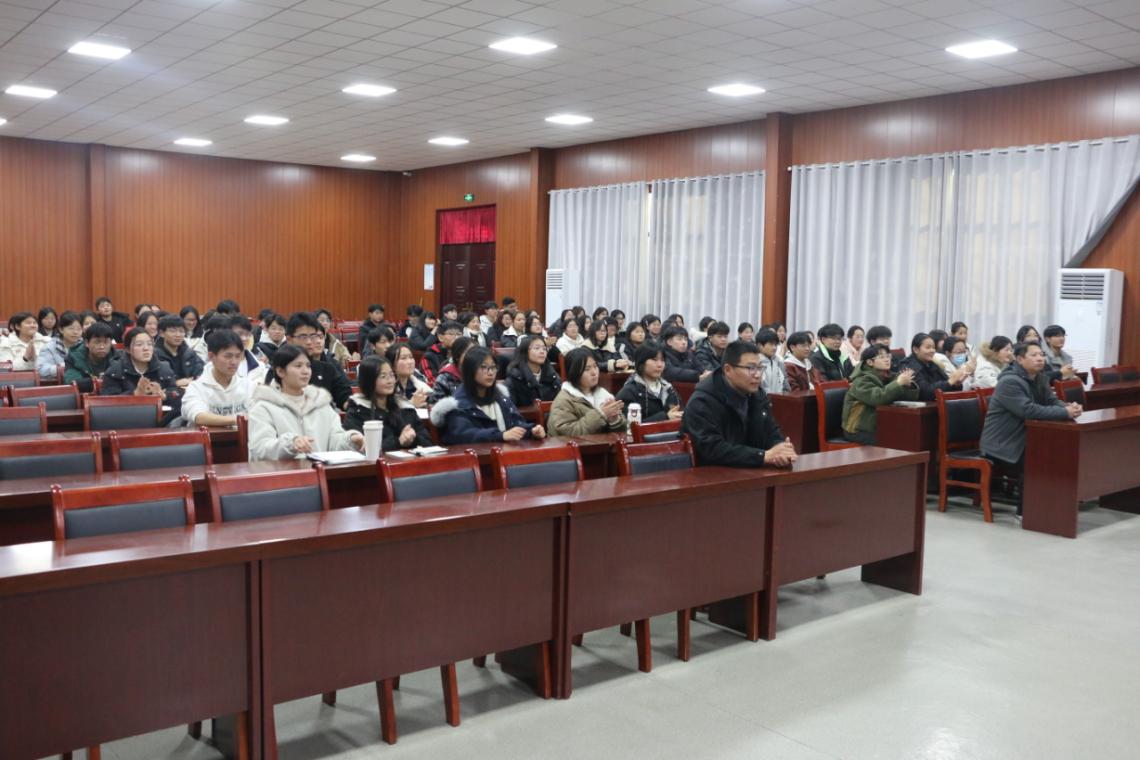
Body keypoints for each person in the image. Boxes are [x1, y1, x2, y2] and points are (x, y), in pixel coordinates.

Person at [981, 342, 1081, 516]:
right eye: (1034, 355)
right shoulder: (1009, 381)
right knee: (1038, 460)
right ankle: (1027, 513)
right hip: (1002, 443)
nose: (1040, 358)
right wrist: (1064, 412)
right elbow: (1027, 410)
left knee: (1057, 454)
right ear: (1019, 359)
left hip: (1026, 438)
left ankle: (1052, 506)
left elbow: (1051, 401)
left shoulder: (1039, 377)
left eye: (1041, 354)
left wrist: (1068, 407)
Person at [681, 340, 797, 467]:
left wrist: (780, 448)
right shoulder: (702, 402)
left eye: (760, 368)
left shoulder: (757, 394)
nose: (758, 375)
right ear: (728, 370)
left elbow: (770, 430)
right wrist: (762, 456)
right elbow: (712, 448)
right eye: (751, 368)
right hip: (713, 473)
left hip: (751, 469)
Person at [247, 344, 364, 461]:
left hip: (321, 470)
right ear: (280, 371)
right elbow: (260, 449)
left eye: (308, 366)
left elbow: (334, 442)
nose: (305, 371)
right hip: (286, 471)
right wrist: (290, 445)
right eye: (298, 366)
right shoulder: (263, 407)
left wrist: (350, 440)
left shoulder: (320, 402)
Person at [430, 347, 546, 444]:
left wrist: (531, 431)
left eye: (493, 367)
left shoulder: (501, 398)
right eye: (483, 367)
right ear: (470, 371)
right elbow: (463, 435)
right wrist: (500, 435)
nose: (490, 373)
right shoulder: (458, 404)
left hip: (506, 454)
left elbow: (516, 423)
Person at [344, 356, 435, 450]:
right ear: (369, 380)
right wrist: (398, 442)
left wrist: (413, 439)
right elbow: (364, 448)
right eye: (383, 376)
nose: (390, 381)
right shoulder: (357, 411)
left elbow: (428, 443)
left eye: (391, 375)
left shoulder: (404, 407)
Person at [842, 344, 919, 444]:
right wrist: (898, 383)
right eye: (882, 357)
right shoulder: (861, 380)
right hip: (858, 429)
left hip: (879, 425)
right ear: (870, 362)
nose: (887, 359)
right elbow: (877, 398)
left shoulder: (888, 376)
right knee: (896, 442)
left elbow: (909, 398)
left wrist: (908, 385)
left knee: (911, 435)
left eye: (888, 356)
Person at [101, 327, 181, 421]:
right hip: (124, 421)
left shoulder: (164, 368)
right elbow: (106, 404)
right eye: (139, 345)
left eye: (149, 344)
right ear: (127, 349)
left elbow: (177, 393)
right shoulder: (115, 370)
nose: (146, 348)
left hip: (161, 421)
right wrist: (134, 394)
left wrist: (164, 396)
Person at [180, 329, 254, 427]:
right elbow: (199, 417)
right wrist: (239, 420)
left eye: (238, 356)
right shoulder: (196, 388)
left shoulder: (248, 385)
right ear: (211, 356)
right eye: (228, 356)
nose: (234, 362)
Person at [547, 347, 627, 436]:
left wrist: (614, 420)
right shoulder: (564, 400)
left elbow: (622, 431)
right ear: (574, 373)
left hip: (601, 444)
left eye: (595, 366)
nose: (594, 372)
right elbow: (567, 433)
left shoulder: (603, 394)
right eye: (587, 369)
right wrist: (601, 414)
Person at [286, 311, 352, 409]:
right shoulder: (280, 368)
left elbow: (343, 395)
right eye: (303, 337)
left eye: (313, 336)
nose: (309, 342)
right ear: (289, 340)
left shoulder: (327, 368)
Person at [615, 344, 683, 423]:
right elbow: (628, 426)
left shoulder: (669, 389)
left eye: (662, 360)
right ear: (641, 362)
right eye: (654, 360)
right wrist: (665, 417)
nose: (660, 365)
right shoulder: (628, 392)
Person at [900, 333, 969, 401]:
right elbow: (925, 393)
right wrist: (950, 381)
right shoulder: (908, 366)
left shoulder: (932, 364)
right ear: (916, 349)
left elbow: (946, 383)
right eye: (928, 347)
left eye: (933, 348)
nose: (932, 350)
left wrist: (956, 384)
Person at [505, 335, 562, 408]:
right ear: (525, 351)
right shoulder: (514, 379)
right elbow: (511, 410)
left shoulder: (553, 375)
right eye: (537, 348)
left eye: (544, 349)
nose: (542, 351)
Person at [64, 322, 118, 392]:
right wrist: (98, 381)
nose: (102, 347)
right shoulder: (74, 357)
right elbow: (72, 382)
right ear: (87, 343)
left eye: (106, 342)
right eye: (97, 342)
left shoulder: (118, 357)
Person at [155, 314, 205, 389]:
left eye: (181, 331)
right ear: (162, 333)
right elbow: (155, 381)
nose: (178, 335)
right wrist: (175, 383)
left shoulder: (189, 353)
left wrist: (194, 382)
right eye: (173, 331)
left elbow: (201, 371)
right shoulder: (155, 355)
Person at [36, 310, 83, 380]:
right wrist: (60, 368)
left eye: (79, 329)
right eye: (71, 328)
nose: (75, 332)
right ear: (61, 329)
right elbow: (41, 369)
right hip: (58, 383)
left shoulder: (85, 346)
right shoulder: (50, 347)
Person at [428, 336, 476, 404]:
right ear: (457, 356)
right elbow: (435, 403)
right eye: (469, 353)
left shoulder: (479, 373)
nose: (473, 356)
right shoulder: (445, 377)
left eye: (475, 353)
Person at [387, 343, 432, 408]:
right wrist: (412, 405)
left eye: (411, 357)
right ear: (391, 364)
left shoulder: (420, 385)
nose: (410, 362)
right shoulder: (388, 389)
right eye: (403, 358)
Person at [421, 320, 462, 384]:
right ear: (440, 337)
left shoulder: (464, 354)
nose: (456, 337)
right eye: (451, 334)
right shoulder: (429, 356)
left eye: (459, 334)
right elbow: (433, 382)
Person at [756, 328, 790, 394]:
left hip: (779, 398)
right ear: (760, 345)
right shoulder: (755, 363)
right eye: (771, 344)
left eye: (775, 344)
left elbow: (786, 386)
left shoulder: (779, 362)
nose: (774, 348)